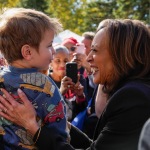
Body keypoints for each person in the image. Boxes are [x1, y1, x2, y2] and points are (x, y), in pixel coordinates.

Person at [1, 19, 150, 150]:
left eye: (95, 50)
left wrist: (33, 127)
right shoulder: (134, 91)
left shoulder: (134, 97)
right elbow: (97, 145)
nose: (88, 58)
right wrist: (59, 122)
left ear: (122, 55)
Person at [0, 8, 70, 149]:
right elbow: (60, 131)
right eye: (49, 45)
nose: (53, 51)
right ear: (28, 52)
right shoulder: (45, 84)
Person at [49, 45, 87, 121]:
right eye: (58, 60)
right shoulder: (45, 82)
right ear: (50, 63)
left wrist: (80, 96)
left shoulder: (78, 79)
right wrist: (60, 93)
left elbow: (80, 111)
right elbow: (47, 109)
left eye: (66, 61)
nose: (62, 64)